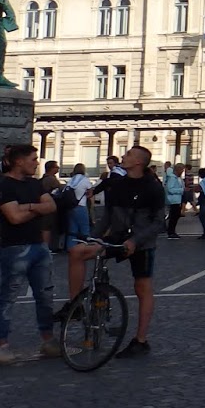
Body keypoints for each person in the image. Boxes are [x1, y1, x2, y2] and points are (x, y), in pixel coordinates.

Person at [62, 146, 165, 358]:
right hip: (116, 237)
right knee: (77, 252)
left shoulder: (153, 187)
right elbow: (107, 217)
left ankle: (141, 340)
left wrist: (135, 241)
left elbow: (158, 222)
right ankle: (75, 305)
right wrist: (92, 237)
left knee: (142, 287)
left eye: (128, 154)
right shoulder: (116, 185)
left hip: (142, 242)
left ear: (139, 162)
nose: (123, 156)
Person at [0, 144, 62, 364]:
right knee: (8, 296)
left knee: (45, 295)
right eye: (33, 159)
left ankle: (48, 340)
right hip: (14, 248)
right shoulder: (3, 186)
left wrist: (27, 207)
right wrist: (36, 207)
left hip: (39, 245)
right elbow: (14, 218)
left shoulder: (35, 183)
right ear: (19, 161)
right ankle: (2, 345)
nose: (36, 163)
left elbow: (51, 206)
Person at [64, 163, 92, 248]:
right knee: (84, 228)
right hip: (81, 205)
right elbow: (90, 193)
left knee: (72, 229)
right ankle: (85, 247)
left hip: (70, 206)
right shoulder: (85, 180)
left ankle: (70, 247)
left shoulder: (71, 180)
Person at [39, 160, 64, 251]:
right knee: (47, 227)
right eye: (56, 167)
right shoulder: (51, 179)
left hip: (44, 205)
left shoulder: (43, 179)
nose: (58, 168)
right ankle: (46, 248)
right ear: (51, 168)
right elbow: (60, 189)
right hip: (49, 206)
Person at [163, 162, 185, 240]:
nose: (182, 172)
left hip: (177, 199)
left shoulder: (177, 178)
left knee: (176, 216)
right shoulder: (172, 178)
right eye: (182, 170)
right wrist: (181, 190)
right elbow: (170, 189)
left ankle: (172, 231)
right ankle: (171, 232)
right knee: (173, 216)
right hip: (173, 200)